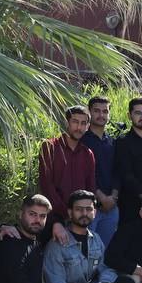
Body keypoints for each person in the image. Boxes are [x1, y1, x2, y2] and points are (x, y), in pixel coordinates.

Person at [38, 105, 96, 247]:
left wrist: (82, 213)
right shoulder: (49, 147)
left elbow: (90, 189)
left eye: (83, 123)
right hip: (53, 218)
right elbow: (47, 186)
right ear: (66, 122)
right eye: (75, 122)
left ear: (88, 126)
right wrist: (65, 214)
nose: (79, 127)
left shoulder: (88, 154)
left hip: (80, 219)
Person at [80, 96, 121, 247]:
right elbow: (84, 174)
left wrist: (113, 197)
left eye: (105, 111)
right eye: (97, 111)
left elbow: (117, 171)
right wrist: (101, 197)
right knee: (86, 250)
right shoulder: (82, 141)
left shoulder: (111, 141)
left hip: (111, 207)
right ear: (89, 112)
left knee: (105, 251)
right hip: (88, 207)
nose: (101, 115)